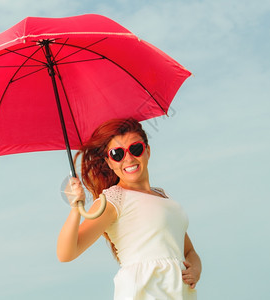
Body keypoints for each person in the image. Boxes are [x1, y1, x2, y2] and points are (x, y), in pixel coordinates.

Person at [57, 118, 201, 299]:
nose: (129, 158)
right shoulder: (113, 199)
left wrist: (195, 269)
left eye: (135, 149)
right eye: (117, 153)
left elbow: (189, 251)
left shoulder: (163, 196)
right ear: (109, 162)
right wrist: (75, 209)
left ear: (147, 151)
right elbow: (66, 253)